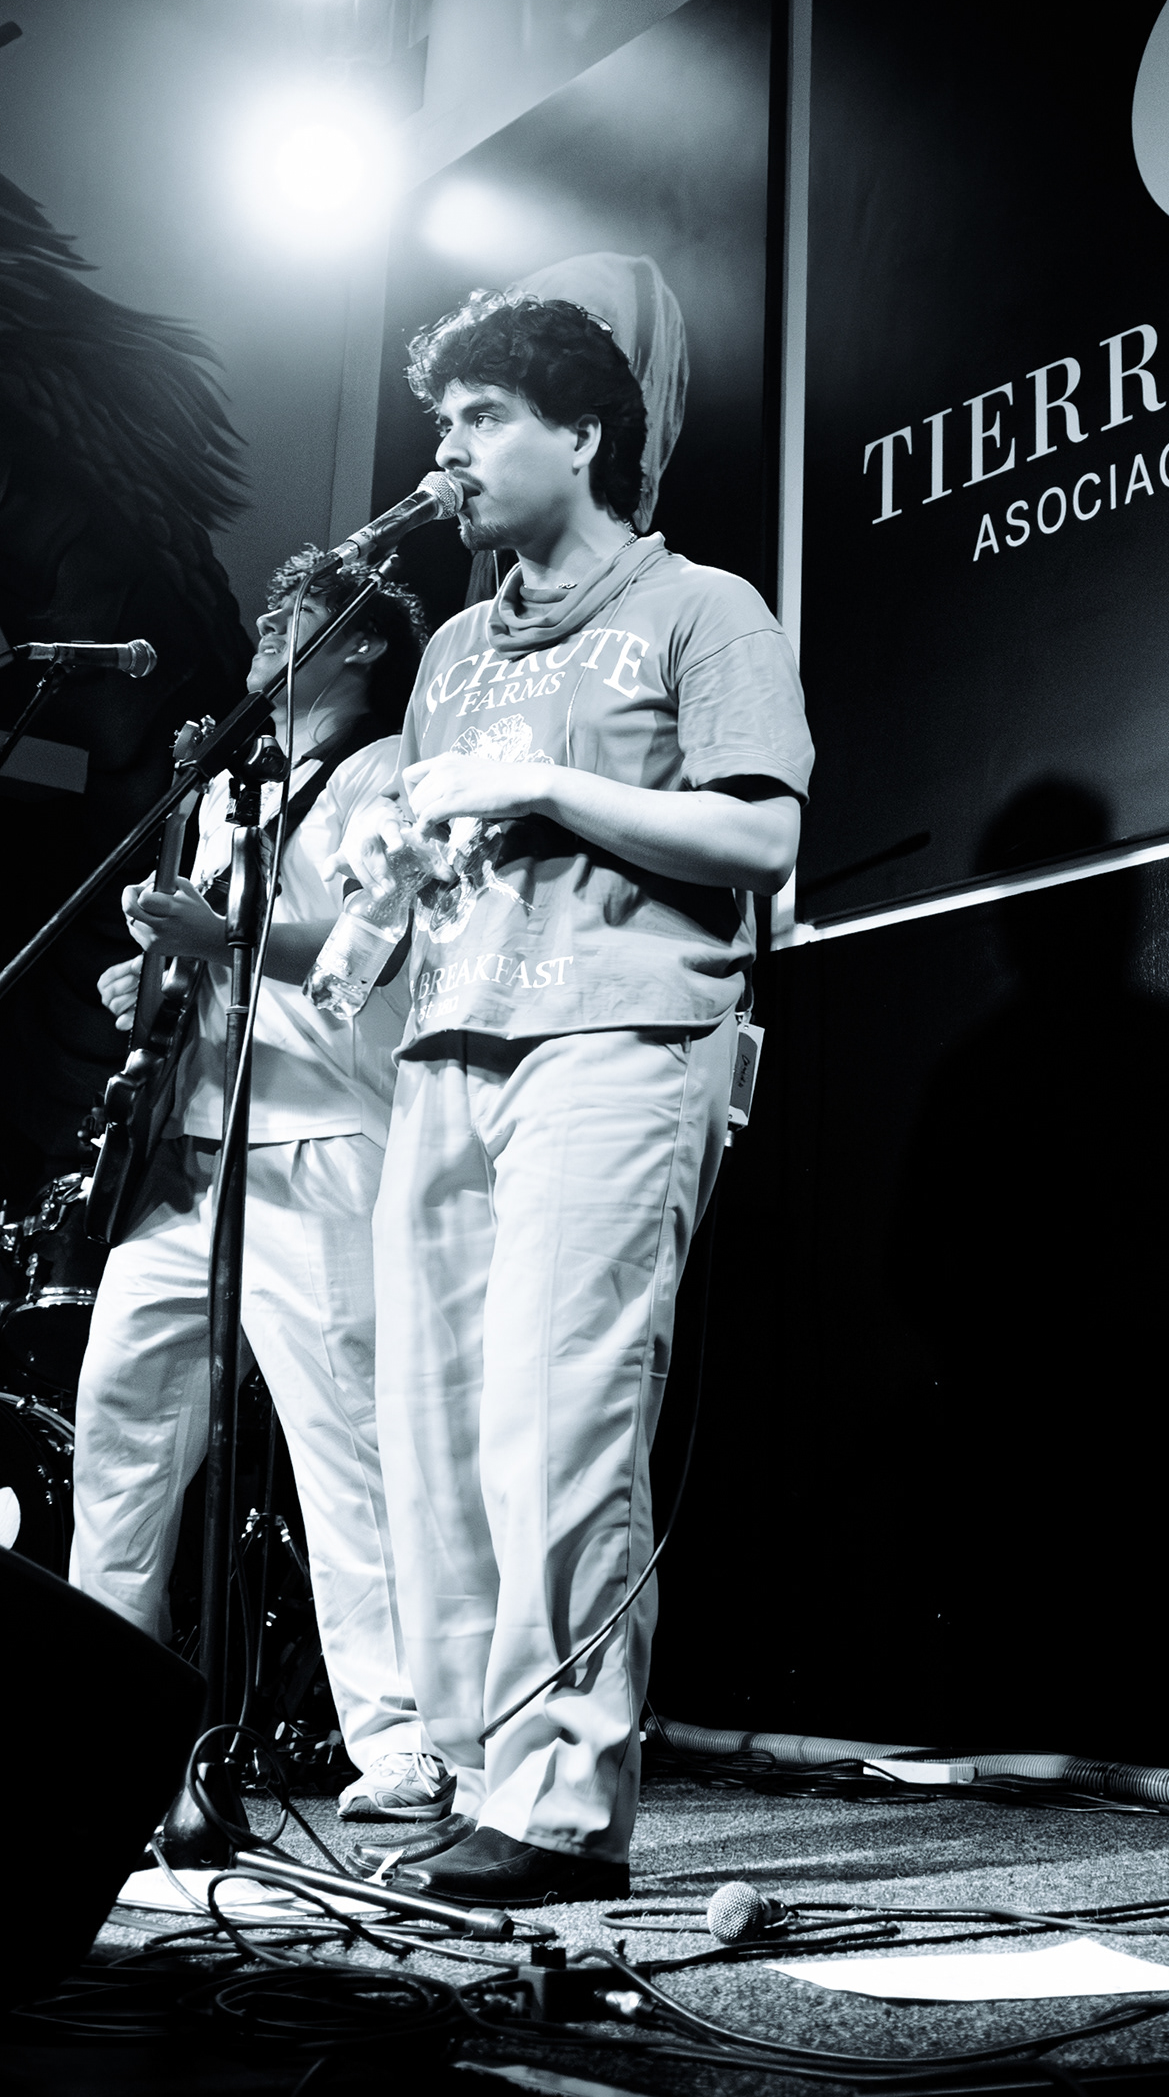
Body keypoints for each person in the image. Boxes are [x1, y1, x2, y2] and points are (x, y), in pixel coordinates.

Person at [348, 291, 810, 1908]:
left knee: (560, 1422)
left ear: (584, 434)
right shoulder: (453, 651)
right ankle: (480, 1773)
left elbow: (761, 840)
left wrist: (544, 781)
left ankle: (558, 1803)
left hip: (620, 1039)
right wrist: (386, 876)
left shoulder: (701, 607)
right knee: (435, 1440)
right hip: (448, 1047)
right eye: (443, 424)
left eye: (483, 419)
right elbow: (435, 861)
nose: (451, 455)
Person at [69, 549, 446, 1823]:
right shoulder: (237, 794)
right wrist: (155, 987)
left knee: (347, 1446)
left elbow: (385, 941)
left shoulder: (390, 772)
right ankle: (101, 1734)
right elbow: (212, 975)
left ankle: (403, 1743)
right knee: (118, 1438)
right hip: (189, 1160)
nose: (265, 630)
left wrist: (221, 934)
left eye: (296, 614)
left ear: (360, 644)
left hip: (322, 1144)